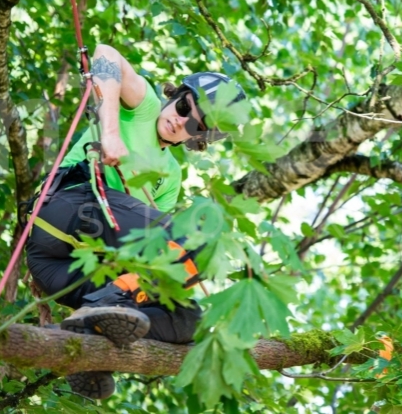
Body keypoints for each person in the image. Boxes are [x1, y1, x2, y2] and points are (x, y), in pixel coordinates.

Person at [25, 44, 246, 399]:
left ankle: (91, 337)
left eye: (195, 123)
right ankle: (101, 309)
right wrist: (110, 131)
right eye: (185, 106)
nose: (181, 119)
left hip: (63, 274)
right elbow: (106, 53)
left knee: (186, 319)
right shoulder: (142, 108)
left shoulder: (171, 175)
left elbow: (157, 260)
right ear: (178, 95)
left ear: (198, 137)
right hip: (68, 208)